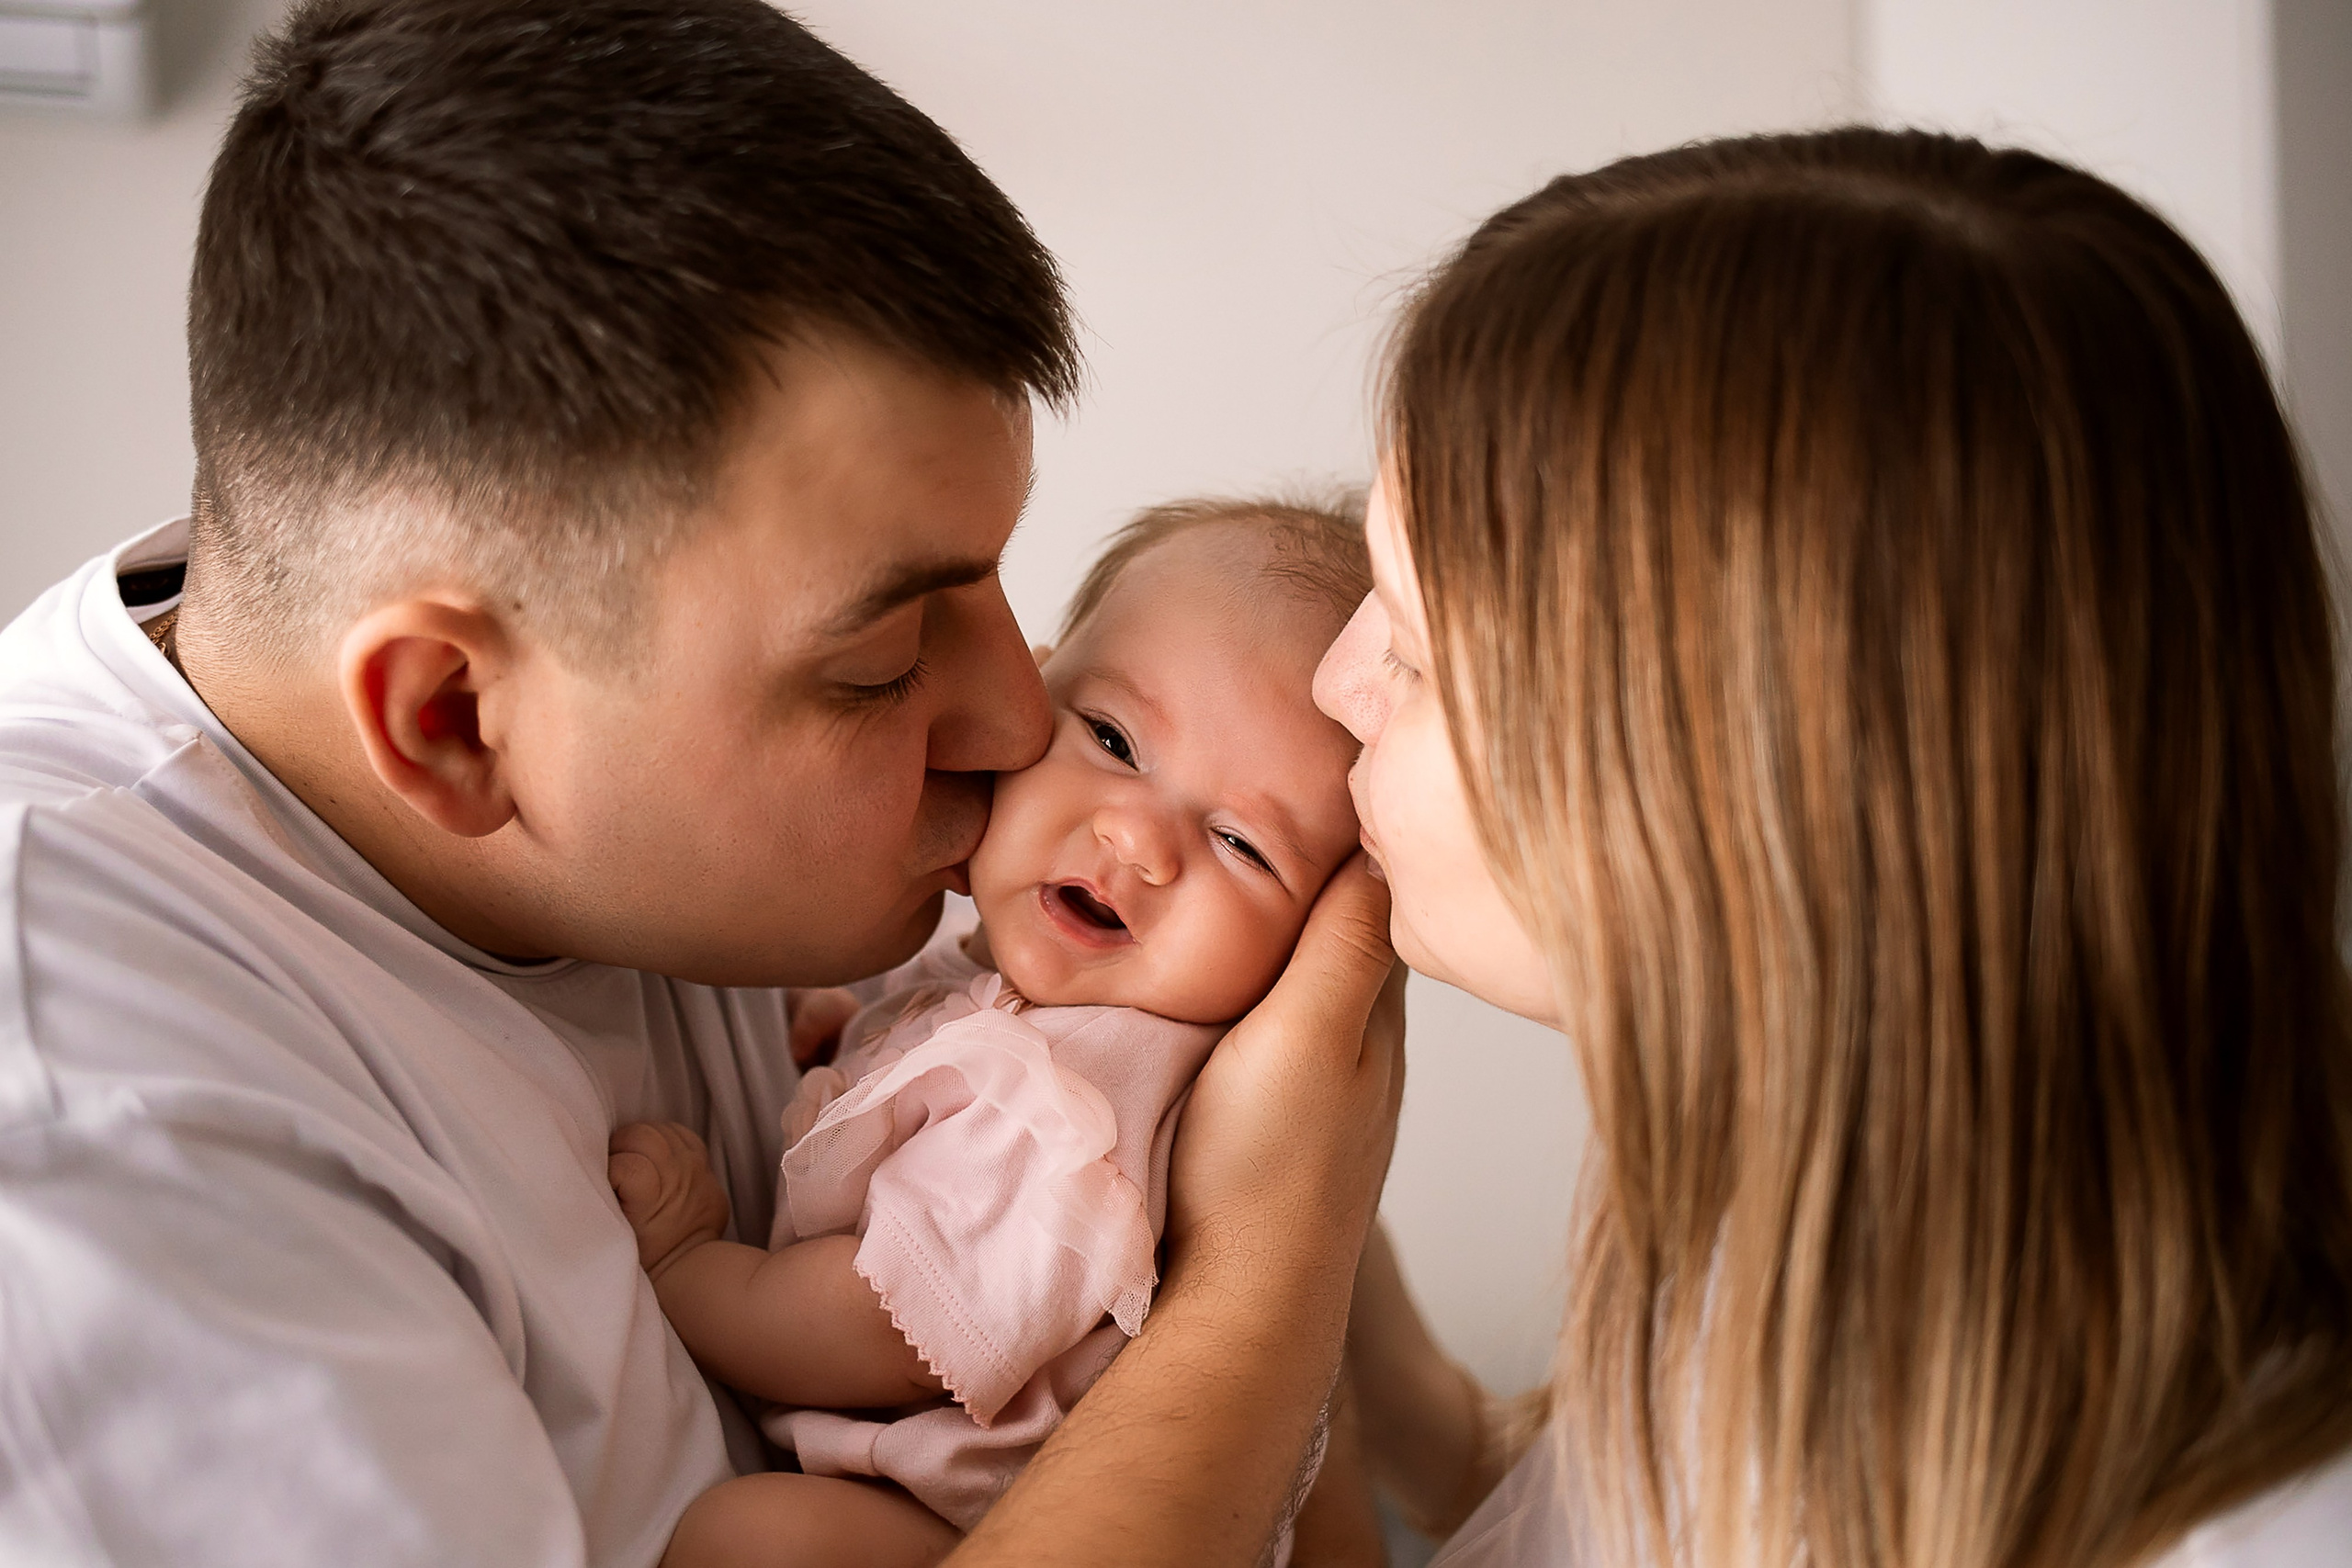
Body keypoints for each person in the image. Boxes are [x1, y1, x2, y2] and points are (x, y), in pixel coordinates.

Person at [0, 5, 1400, 1565]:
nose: (1020, 716)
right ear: (453, 718)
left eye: (1000, 582)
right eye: (882, 659)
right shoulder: (105, 1147)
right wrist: (1273, 1257)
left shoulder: (591, 719)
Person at [1318, 128, 2352, 1567]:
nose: (1336, 682)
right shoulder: (1805, 1214)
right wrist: (1337, 1306)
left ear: (1735, 782)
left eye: (1415, 651)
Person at [609, 497, 1375, 1567]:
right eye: (1112, 740)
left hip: (994, 1520)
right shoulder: (1013, 986)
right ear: (1031, 701)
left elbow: (884, 1329)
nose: (1137, 839)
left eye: (1243, 845)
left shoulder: (1079, 1104)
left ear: (1312, 951)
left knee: (752, 1541)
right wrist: (851, 1037)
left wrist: (692, 1270)